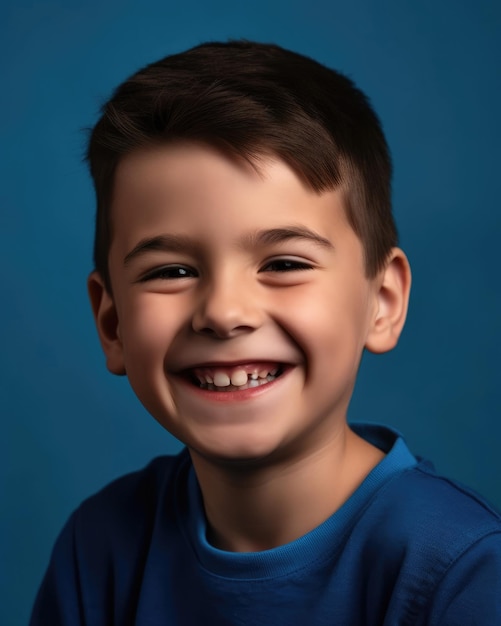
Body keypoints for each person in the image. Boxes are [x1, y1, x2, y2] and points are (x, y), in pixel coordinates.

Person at [30, 40, 501, 625]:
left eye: (284, 264)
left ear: (382, 302)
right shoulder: (99, 549)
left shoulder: (461, 572)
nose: (225, 312)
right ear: (112, 323)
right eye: (172, 271)